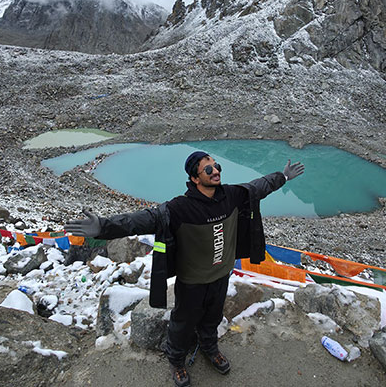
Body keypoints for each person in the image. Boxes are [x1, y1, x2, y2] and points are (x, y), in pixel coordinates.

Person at [65, 151, 304, 387]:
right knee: (183, 322)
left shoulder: (231, 196)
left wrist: (282, 177)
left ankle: (210, 348)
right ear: (195, 178)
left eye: (216, 165)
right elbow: (139, 220)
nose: (216, 171)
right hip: (192, 281)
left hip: (221, 275)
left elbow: (258, 187)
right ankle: (177, 360)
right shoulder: (179, 208)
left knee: (212, 317)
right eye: (208, 169)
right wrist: (103, 227)